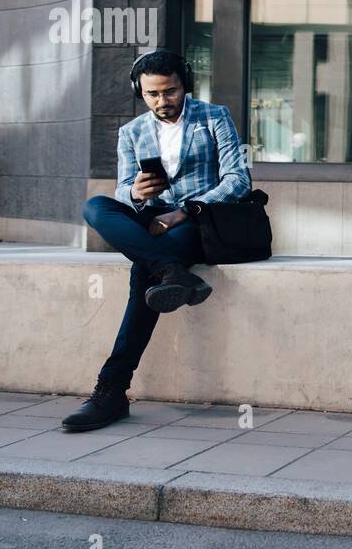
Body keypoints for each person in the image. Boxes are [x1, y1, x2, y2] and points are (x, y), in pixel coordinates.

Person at [63, 50, 251, 431]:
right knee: (96, 207)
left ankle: (111, 390)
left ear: (185, 86)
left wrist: (182, 211)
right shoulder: (131, 132)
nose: (162, 102)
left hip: (199, 221)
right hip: (152, 221)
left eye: (170, 92)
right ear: (140, 91)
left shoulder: (214, 117)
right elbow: (121, 194)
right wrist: (135, 193)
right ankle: (171, 271)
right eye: (152, 94)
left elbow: (238, 180)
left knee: (141, 274)